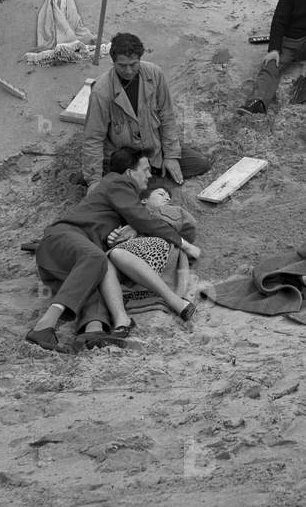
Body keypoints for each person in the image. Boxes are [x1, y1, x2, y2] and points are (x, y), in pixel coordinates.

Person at [27, 148, 188, 353]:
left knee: (99, 279)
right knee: (97, 259)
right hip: (62, 239)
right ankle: (44, 326)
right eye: (146, 170)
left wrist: (133, 227)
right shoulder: (118, 182)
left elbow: (139, 218)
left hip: (70, 259)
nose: (150, 175)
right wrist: (184, 243)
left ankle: (93, 331)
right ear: (130, 173)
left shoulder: (123, 199)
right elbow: (142, 218)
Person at [81, 32, 210, 191]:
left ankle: (152, 171)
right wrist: (93, 181)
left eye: (133, 64)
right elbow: (93, 138)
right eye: (122, 66)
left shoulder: (154, 74)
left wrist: (171, 156)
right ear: (113, 62)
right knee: (134, 191)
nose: (128, 71)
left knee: (199, 164)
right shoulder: (101, 92)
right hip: (126, 158)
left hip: (154, 150)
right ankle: (104, 176)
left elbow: (167, 117)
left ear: (140, 59)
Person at [105, 188, 201, 319]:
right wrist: (114, 238)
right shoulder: (130, 218)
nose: (167, 198)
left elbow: (187, 229)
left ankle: (173, 300)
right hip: (134, 256)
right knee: (106, 261)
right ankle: (121, 318)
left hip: (158, 246)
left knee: (115, 254)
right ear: (143, 200)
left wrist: (139, 226)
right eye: (161, 194)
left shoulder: (171, 210)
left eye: (168, 197)